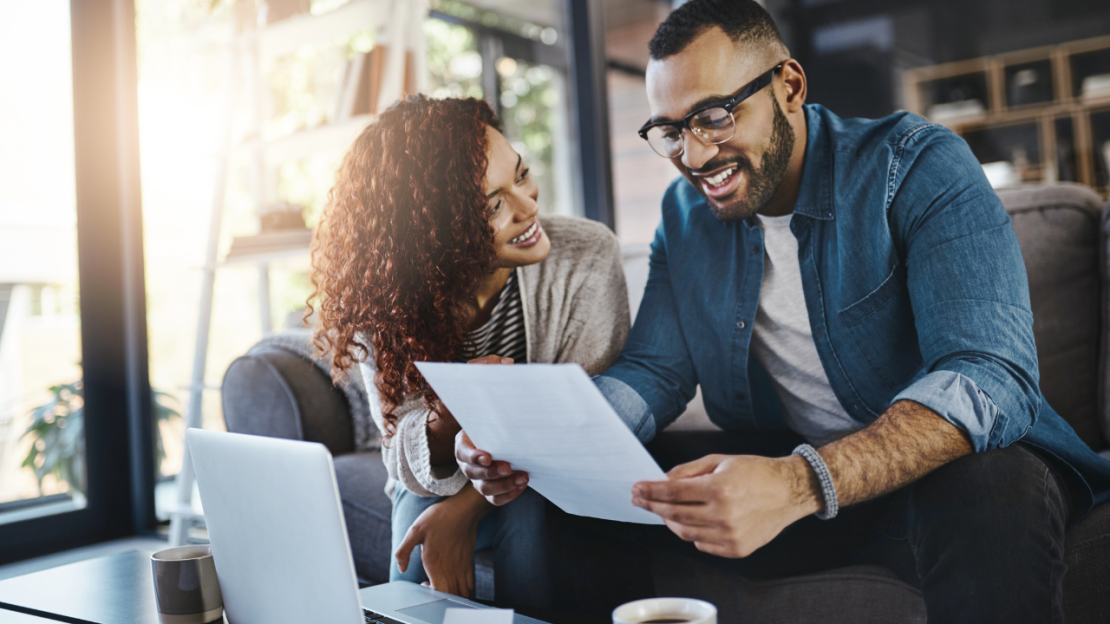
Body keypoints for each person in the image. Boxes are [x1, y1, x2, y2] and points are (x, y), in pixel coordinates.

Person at [455, 1, 1110, 621]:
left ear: (789, 86)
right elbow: (654, 371)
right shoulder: (685, 220)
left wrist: (800, 483)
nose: (694, 154)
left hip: (927, 483)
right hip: (791, 473)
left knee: (991, 484)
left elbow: (991, 375)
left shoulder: (915, 167)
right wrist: (541, 442)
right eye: (670, 129)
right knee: (549, 505)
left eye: (714, 115)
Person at [308, 95, 629, 607]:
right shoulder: (385, 300)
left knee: (522, 504)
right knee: (415, 501)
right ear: (435, 233)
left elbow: (580, 424)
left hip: (548, 483)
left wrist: (459, 516)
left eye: (521, 176)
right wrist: (443, 416)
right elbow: (401, 459)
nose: (529, 208)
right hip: (436, 481)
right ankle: (402, 615)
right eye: (495, 205)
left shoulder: (586, 256)